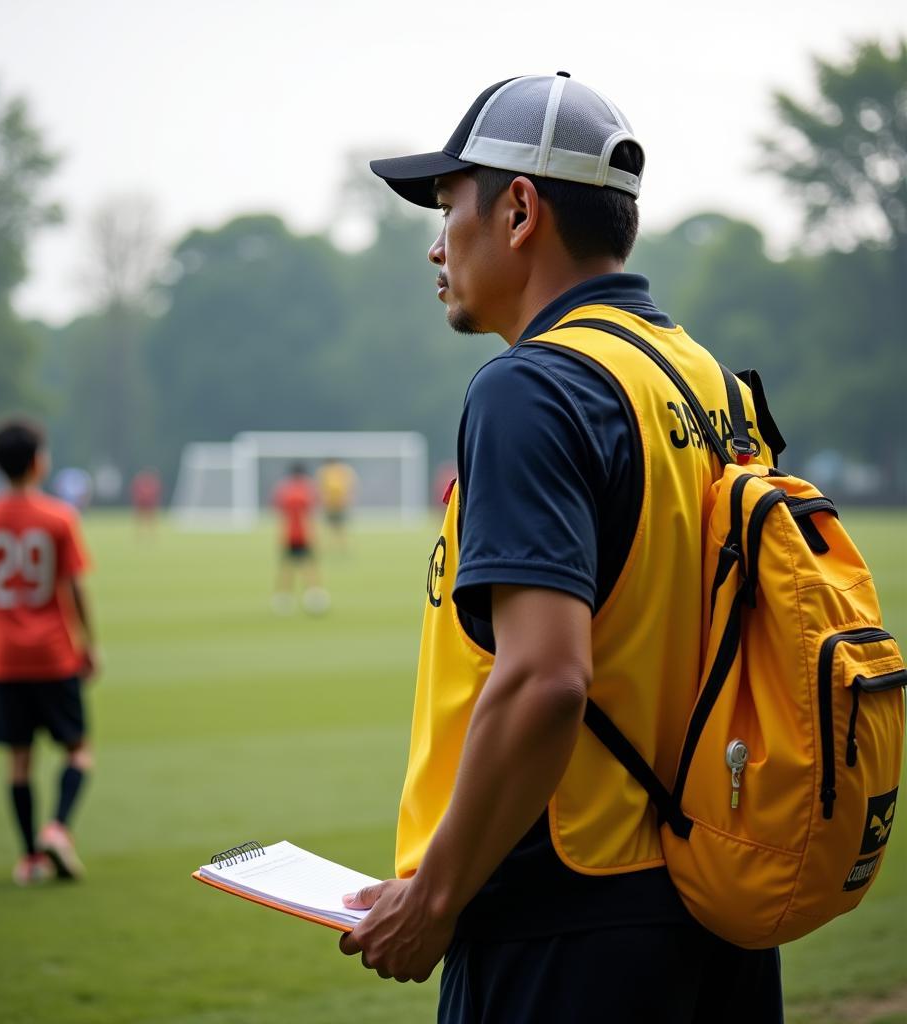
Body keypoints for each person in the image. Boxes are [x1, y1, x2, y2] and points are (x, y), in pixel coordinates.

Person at [338, 74, 784, 1022]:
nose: (435, 241)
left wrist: (438, 893)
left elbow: (547, 678)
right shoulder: (709, 382)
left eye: (449, 204)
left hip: (567, 934)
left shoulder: (532, 388)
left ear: (519, 210)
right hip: (716, 908)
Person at [0, 419, 97, 886]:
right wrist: (89, 645)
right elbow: (74, 585)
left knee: (19, 760)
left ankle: (29, 858)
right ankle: (57, 828)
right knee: (78, 750)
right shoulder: (59, 517)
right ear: (39, 460)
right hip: (55, 655)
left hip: (5, 657)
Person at [272, 463, 329, 614]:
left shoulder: (284, 490)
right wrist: (314, 536)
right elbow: (309, 516)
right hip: (304, 534)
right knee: (309, 566)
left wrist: (280, 535)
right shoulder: (308, 490)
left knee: (286, 567)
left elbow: (281, 515)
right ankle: (315, 597)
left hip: (289, 534)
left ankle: (283, 599)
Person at [316, 457, 357, 552]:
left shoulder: (342, 472)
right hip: (330, 504)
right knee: (332, 526)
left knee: (339, 526)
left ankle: (341, 546)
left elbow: (349, 486)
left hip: (339, 504)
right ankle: (333, 546)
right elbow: (321, 488)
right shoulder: (325, 472)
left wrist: (347, 498)